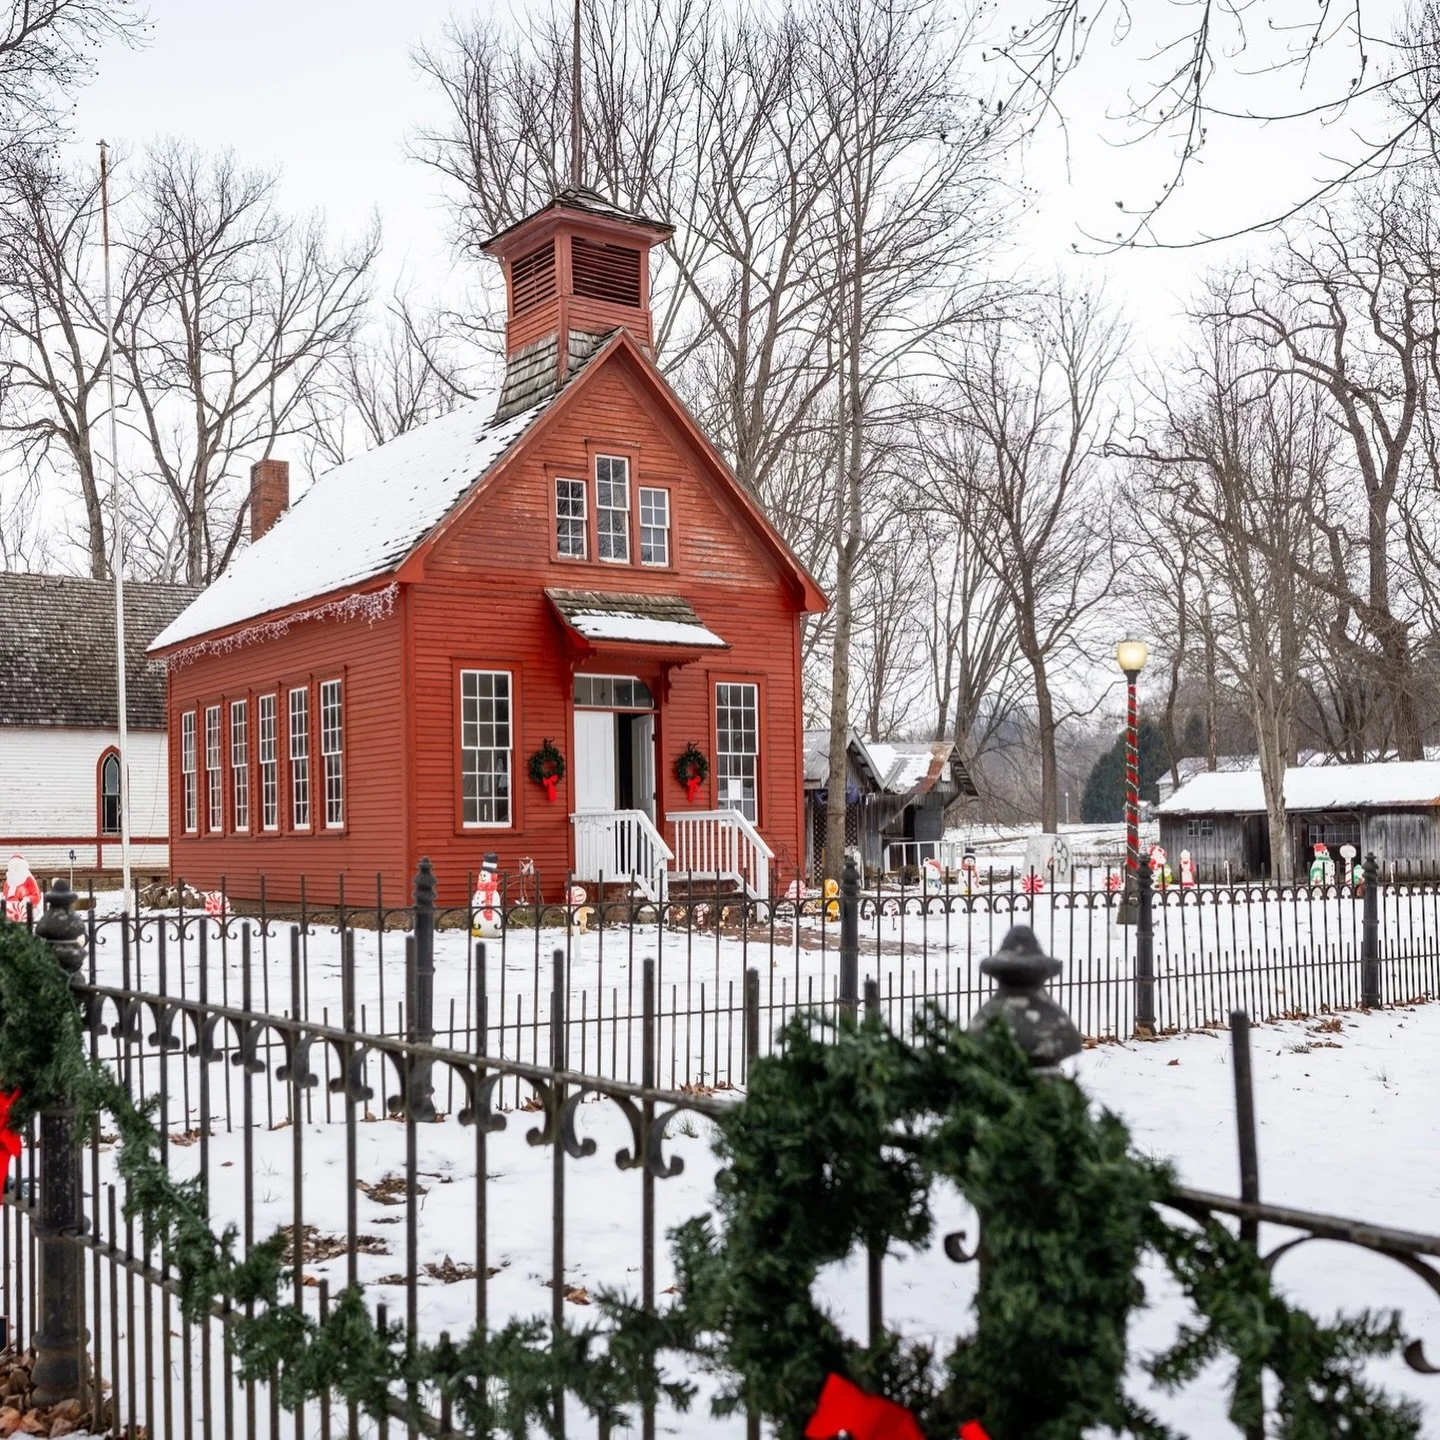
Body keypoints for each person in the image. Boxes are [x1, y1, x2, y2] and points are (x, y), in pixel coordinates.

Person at [3, 854, 41, 923]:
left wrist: (27, 900)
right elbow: (5, 895)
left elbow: (36, 896)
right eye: (12, 868)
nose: (14, 870)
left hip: (26, 911)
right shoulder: (9, 881)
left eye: (16, 868)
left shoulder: (28, 879)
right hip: (10, 912)